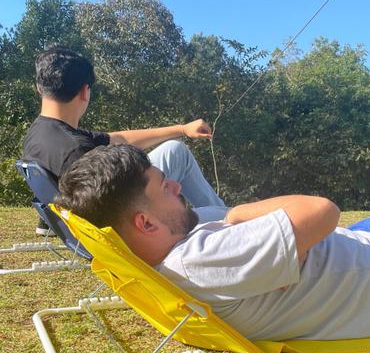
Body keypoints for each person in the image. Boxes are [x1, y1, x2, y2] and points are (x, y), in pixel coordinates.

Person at [54, 144, 370, 342]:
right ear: (145, 222)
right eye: (163, 186)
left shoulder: (171, 264)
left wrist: (297, 245)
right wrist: (239, 214)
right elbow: (323, 211)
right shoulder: (198, 261)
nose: (176, 186)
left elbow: (312, 232)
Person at [22, 45, 226, 235]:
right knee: (231, 216)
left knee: (174, 150)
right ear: (85, 92)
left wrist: (182, 129)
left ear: (40, 88)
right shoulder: (77, 151)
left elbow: (118, 138)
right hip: (131, 226)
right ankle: (228, 224)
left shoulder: (40, 133)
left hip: (88, 217)